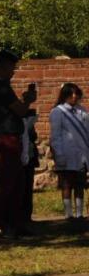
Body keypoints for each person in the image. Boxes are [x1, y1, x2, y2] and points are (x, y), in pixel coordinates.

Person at [0, 50, 37, 237]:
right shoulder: (0, 87)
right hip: (7, 137)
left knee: (17, 183)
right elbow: (20, 110)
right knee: (8, 183)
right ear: (1, 68)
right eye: (10, 68)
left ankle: (14, 222)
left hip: (8, 136)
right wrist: (28, 100)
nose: (13, 72)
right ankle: (0, 222)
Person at [49, 83, 89, 220]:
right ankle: (68, 214)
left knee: (80, 184)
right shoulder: (57, 112)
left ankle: (79, 213)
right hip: (66, 153)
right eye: (71, 94)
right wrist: (58, 154)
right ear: (65, 95)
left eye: (76, 93)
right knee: (67, 184)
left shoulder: (82, 111)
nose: (74, 96)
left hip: (81, 154)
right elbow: (55, 136)